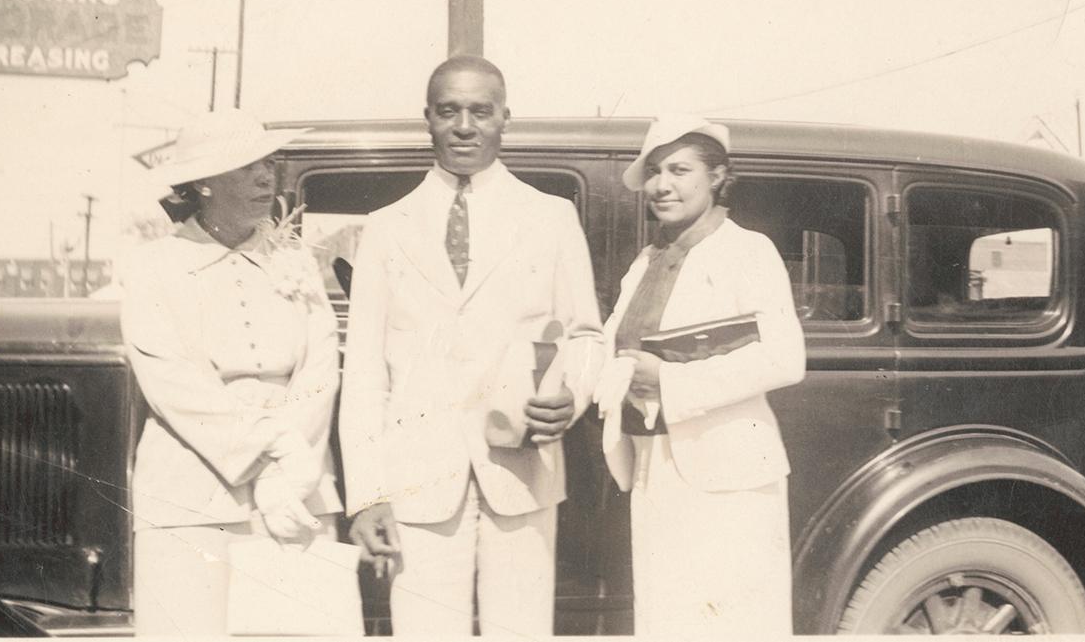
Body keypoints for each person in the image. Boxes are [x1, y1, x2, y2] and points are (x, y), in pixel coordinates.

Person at [339, 55, 603, 637]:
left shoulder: (551, 218)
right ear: (427, 119)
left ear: (505, 117)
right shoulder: (386, 227)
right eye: (449, 111)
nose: (465, 126)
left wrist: (574, 395)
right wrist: (367, 493)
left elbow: (586, 336)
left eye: (480, 111)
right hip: (416, 482)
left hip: (522, 469)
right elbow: (362, 374)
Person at [120, 110, 343, 635]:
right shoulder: (153, 267)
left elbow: (320, 368)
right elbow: (173, 384)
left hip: (297, 496)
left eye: (267, 164)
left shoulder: (296, 261)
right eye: (246, 167)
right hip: (189, 498)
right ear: (202, 183)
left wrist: (290, 473)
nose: (266, 177)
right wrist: (264, 465)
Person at [593, 115, 805, 637]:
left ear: (716, 177)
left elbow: (785, 357)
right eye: (656, 172)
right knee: (670, 619)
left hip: (731, 473)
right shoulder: (647, 259)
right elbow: (609, 341)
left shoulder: (748, 251)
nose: (663, 185)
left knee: (733, 621)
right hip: (654, 466)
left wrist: (669, 382)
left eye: (680, 170)